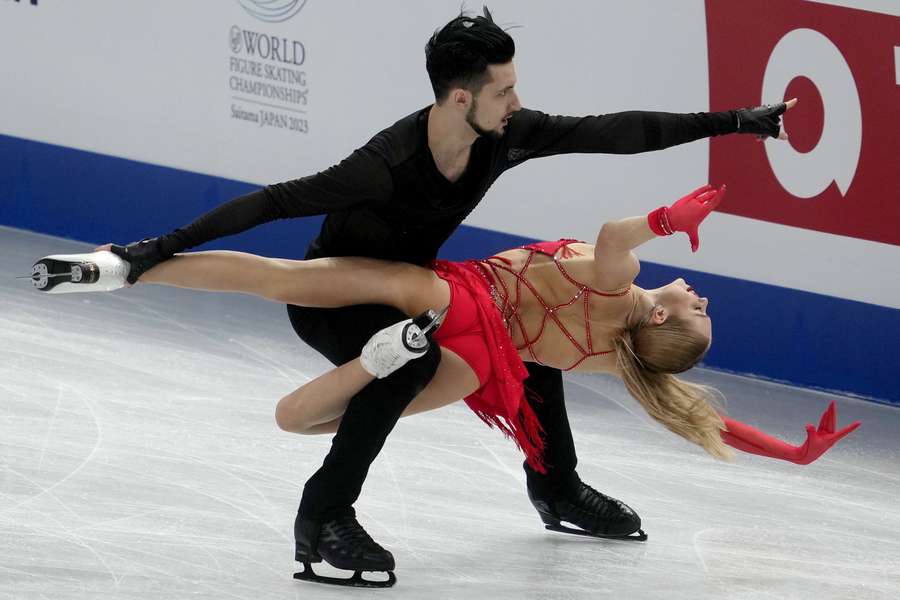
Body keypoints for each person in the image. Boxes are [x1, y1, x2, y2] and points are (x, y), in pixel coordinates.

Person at [75, 7, 804, 587]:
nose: (518, 101)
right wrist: (155, 247)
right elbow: (273, 203)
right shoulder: (383, 166)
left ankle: (555, 486)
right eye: (504, 90)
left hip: (422, 295)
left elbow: (612, 132)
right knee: (414, 364)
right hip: (343, 299)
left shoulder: (504, 135)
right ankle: (325, 514)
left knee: (528, 350)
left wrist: (733, 122)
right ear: (463, 96)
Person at [51, 185, 854, 586]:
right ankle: (373, 369)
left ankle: (128, 270)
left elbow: (613, 235)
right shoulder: (620, 358)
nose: (703, 299)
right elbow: (696, 420)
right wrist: (792, 453)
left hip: (454, 298)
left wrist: (671, 217)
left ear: (665, 322)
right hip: (480, 365)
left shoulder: (625, 289)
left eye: (699, 315)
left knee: (282, 277)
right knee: (323, 420)